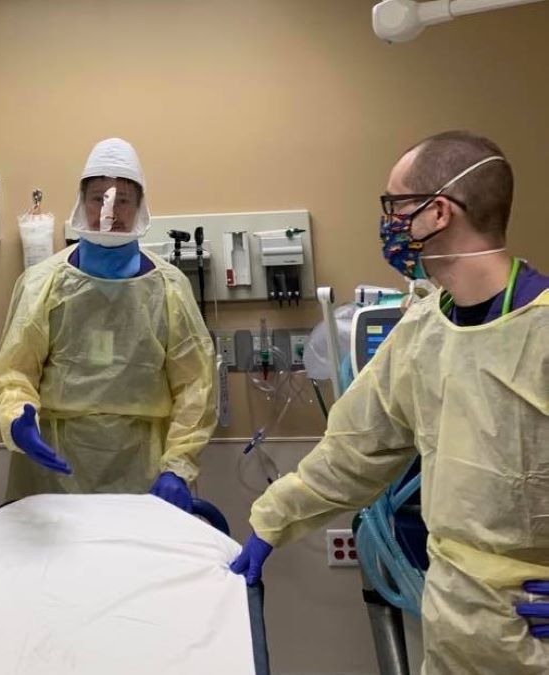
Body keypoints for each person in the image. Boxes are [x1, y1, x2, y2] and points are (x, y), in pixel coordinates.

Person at [230, 130, 548, 673]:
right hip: (453, 623)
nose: (389, 222)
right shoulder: (423, 330)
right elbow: (353, 453)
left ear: (439, 211)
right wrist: (270, 522)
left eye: (397, 206)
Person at [0, 138, 216, 510]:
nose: (110, 210)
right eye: (99, 198)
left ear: (139, 205)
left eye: (123, 199)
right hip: (52, 472)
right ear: (82, 202)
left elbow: (196, 387)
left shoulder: (169, 288)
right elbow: (12, 375)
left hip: (142, 470)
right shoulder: (43, 283)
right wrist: (17, 419)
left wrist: (178, 466)